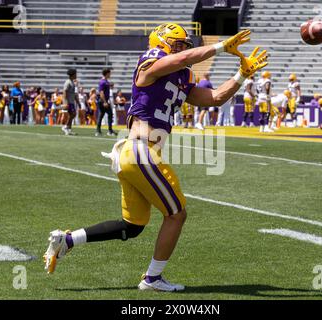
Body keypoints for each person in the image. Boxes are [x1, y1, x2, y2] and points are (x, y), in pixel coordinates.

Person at [43, 24, 267, 291]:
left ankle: (67, 240)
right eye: (177, 43)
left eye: (184, 44)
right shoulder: (151, 60)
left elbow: (215, 98)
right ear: (160, 42)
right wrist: (220, 47)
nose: (183, 48)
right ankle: (152, 279)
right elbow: (183, 59)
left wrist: (241, 75)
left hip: (136, 154)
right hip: (140, 151)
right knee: (176, 215)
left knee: (132, 225)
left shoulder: (182, 76)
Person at [96, 69, 115, 136]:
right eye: (109, 73)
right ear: (107, 73)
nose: (110, 75)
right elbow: (101, 92)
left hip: (104, 101)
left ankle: (99, 131)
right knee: (108, 114)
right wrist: (104, 102)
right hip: (102, 101)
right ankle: (109, 131)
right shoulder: (103, 82)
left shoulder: (106, 81)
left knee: (102, 115)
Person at [61, 68, 79, 135]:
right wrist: (65, 102)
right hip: (68, 101)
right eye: (75, 74)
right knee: (73, 114)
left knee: (73, 114)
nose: (76, 75)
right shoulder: (68, 82)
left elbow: (74, 94)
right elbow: (64, 92)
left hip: (71, 101)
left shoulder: (72, 82)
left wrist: (78, 102)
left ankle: (69, 129)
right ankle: (66, 127)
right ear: (73, 74)